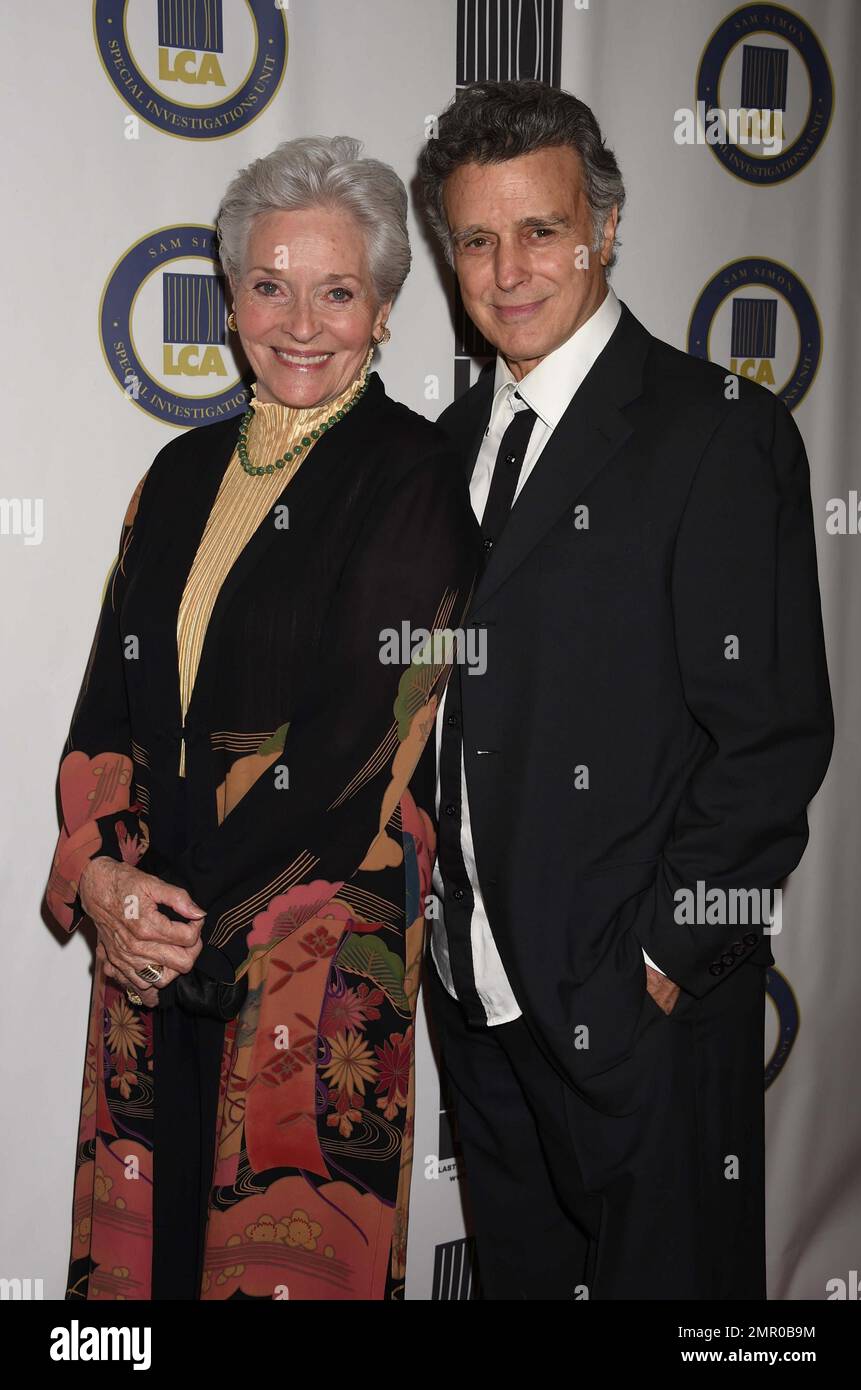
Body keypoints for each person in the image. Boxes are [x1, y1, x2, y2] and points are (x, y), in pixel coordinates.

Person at [416, 79, 834, 1300]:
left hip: (637, 1018)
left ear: (602, 228)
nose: (508, 270)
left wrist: (656, 957)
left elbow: (766, 746)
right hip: (477, 1003)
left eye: (539, 230)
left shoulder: (716, 431)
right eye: (477, 240)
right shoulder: (447, 449)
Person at [45, 135, 480, 1301]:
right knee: (144, 1283)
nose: (301, 321)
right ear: (231, 302)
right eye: (269, 285)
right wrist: (98, 878)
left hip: (308, 953)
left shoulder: (413, 476)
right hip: (153, 935)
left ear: (383, 308)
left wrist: (176, 915)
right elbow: (106, 705)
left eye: (337, 290)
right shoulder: (176, 477)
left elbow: (355, 749)